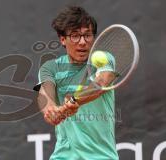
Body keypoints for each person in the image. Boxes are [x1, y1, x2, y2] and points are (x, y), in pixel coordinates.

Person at [33, 6, 119, 160]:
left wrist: (74, 100)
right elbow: (46, 98)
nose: (82, 42)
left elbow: (100, 84)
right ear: (62, 39)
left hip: (101, 156)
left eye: (87, 35)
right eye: (75, 36)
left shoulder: (104, 59)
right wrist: (53, 113)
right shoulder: (50, 68)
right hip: (63, 156)